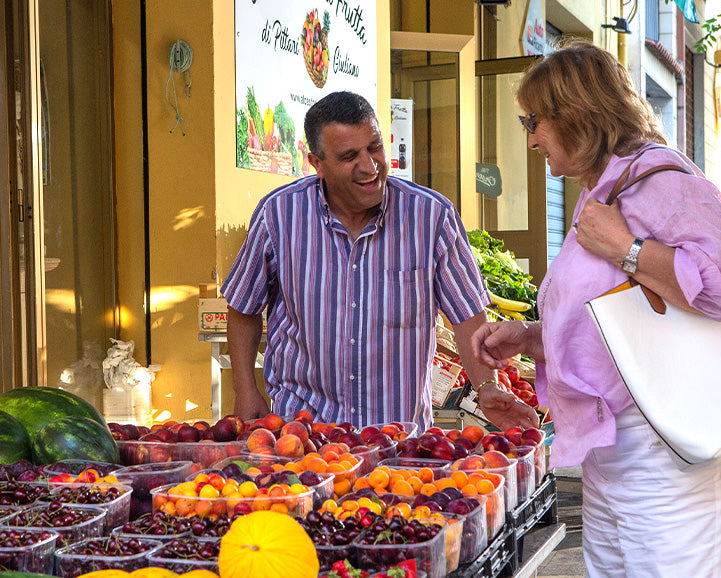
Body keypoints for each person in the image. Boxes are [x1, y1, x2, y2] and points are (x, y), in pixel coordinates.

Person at [471, 42, 721, 578]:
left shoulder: (659, 180)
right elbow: (620, 318)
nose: (530, 139)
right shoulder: (603, 188)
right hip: (614, 449)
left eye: (534, 121)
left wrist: (625, 248)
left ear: (576, 113)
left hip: (671, 450)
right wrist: (528, 339)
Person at [222, 90, 538, 435]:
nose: (370, 167)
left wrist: (486, 386)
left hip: (397, 443)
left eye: (374, 147)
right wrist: (246, 389)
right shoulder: (279, 216)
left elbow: (467, 317)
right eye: (349, 156)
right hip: (302, 435)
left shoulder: (432, 218)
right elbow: (243, 307)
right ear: (317, 165)